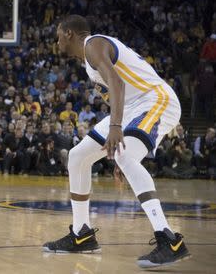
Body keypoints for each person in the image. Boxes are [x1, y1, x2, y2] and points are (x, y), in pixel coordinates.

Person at [43, 15, 190, 268]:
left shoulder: (93, 45)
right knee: (78, 157)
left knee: (123, 153)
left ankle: (170, 240)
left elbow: (117, 83)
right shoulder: (89, 59)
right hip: (134, 106)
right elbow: (119, 90)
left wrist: (115, 127)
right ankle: (82, 234)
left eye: (58, 35)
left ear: (69, 33)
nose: (56, 41)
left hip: (155, 100)